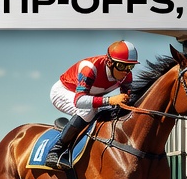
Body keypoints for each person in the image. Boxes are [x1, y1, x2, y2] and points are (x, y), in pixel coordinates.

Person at [42, 40, 138, 170]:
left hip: (88, 97)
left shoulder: (126, 75)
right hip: (64, 92)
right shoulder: (90, 68)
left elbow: (127, 100)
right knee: (87, 111)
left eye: (130, 67)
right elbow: (79, 101)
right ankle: (57, 150)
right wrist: (110, 100)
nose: (126, 72)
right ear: (110, 62)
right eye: (122, 66)